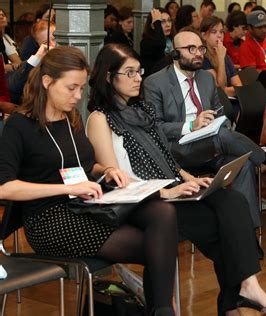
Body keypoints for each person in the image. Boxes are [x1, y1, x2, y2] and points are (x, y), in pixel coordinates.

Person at [87, 43, 266, 316]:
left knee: (230, 200)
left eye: (139, 71)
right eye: (129, 73)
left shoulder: (142, 111)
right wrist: (167, 193)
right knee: (221, 227)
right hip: (140, 202)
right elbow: (115, 179)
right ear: (109, 77)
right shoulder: (100, 119)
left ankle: (247, 286)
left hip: (167, 188)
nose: (138, 78)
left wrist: (190, 179)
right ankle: (234, 299)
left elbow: (165, 158)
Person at [0, 46, 179, 316]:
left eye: (82, 88)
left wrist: (105, 170)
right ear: (47, 82)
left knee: (162, 213)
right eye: (71, 88)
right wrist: (69, 188)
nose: (78, 96)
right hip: (49, 220)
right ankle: (162, 311)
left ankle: (161, 311)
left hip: (84, 205)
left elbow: (84, 165)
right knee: (157, 246)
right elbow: (5, 187)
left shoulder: (70, 119)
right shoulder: (19, 125)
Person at [144, 31, 265, 229]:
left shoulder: (206, 79)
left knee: (243, 165)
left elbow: (220, 114)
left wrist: (215, 125)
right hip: (178, 150)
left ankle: (246, 233)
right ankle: (263, 158)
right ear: (175, 54)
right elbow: (154, 128)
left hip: (211, 145)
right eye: (191, 49)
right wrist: (192, 126)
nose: (198, 53)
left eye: (200, 48)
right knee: (223, 135)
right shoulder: (155, 82)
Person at [201, 16, 242, 97]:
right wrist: (220, 58)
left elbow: (239, 86)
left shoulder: (226, 57)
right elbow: (220, 90)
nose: (219, 35)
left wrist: (226, 90)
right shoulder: (202, 58)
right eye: (214, 32)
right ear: (204, 35)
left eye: (221, 32)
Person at [141, 8, 174, 77]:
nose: (168, 25)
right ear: (153, 26)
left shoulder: (171, 40)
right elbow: (160, 44)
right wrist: (157, 23)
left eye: (169, 20)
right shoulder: (146, 42)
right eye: (162, 22)